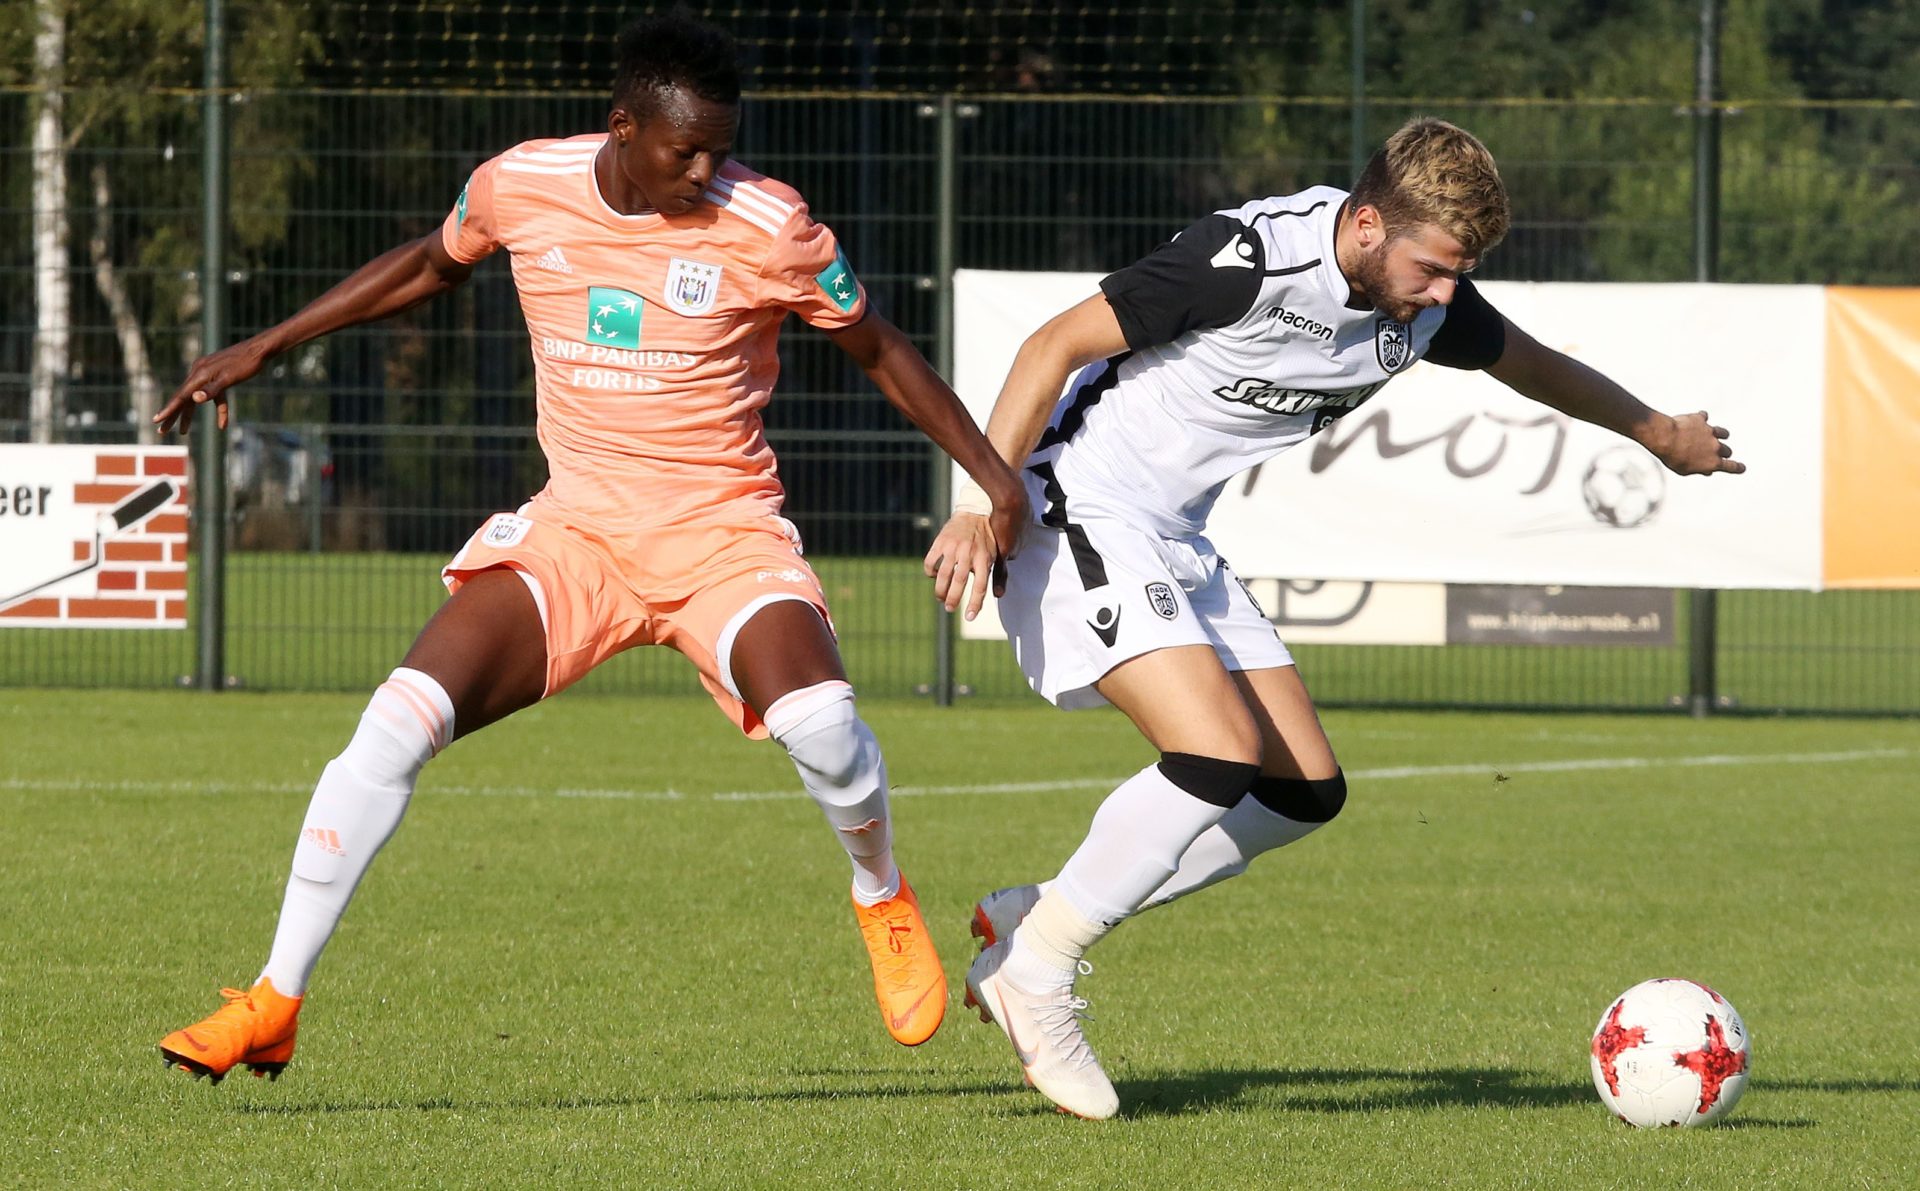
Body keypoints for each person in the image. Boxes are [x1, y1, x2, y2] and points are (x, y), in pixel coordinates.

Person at [155, 12, 1025, 1083]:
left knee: (825, 728)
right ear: (623, 126)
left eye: (721, 150)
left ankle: (880, 890)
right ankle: (274, 999)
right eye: (686, 151)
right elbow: (428, 264)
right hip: (576, 534)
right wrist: (264, 345)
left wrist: (994, 480)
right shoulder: (522, 184)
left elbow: (881, 350)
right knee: (392, 726)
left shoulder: (770, 224)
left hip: (721, 536)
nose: (707, 172)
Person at [923, 118, 1744, 1119]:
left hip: (1174, 532)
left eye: (1460, 274)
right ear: (1365, 226)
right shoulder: (1247, 260)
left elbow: (1529, 362)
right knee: (1214, 752)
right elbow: (1051, 345)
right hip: (1077, 501)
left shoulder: (1427, 303)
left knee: (1302, 790)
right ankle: (1037, 969)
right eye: (1433, 268)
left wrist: (1657, 432)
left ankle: (1044, 912)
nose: (1445, 294)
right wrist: (980, 504)